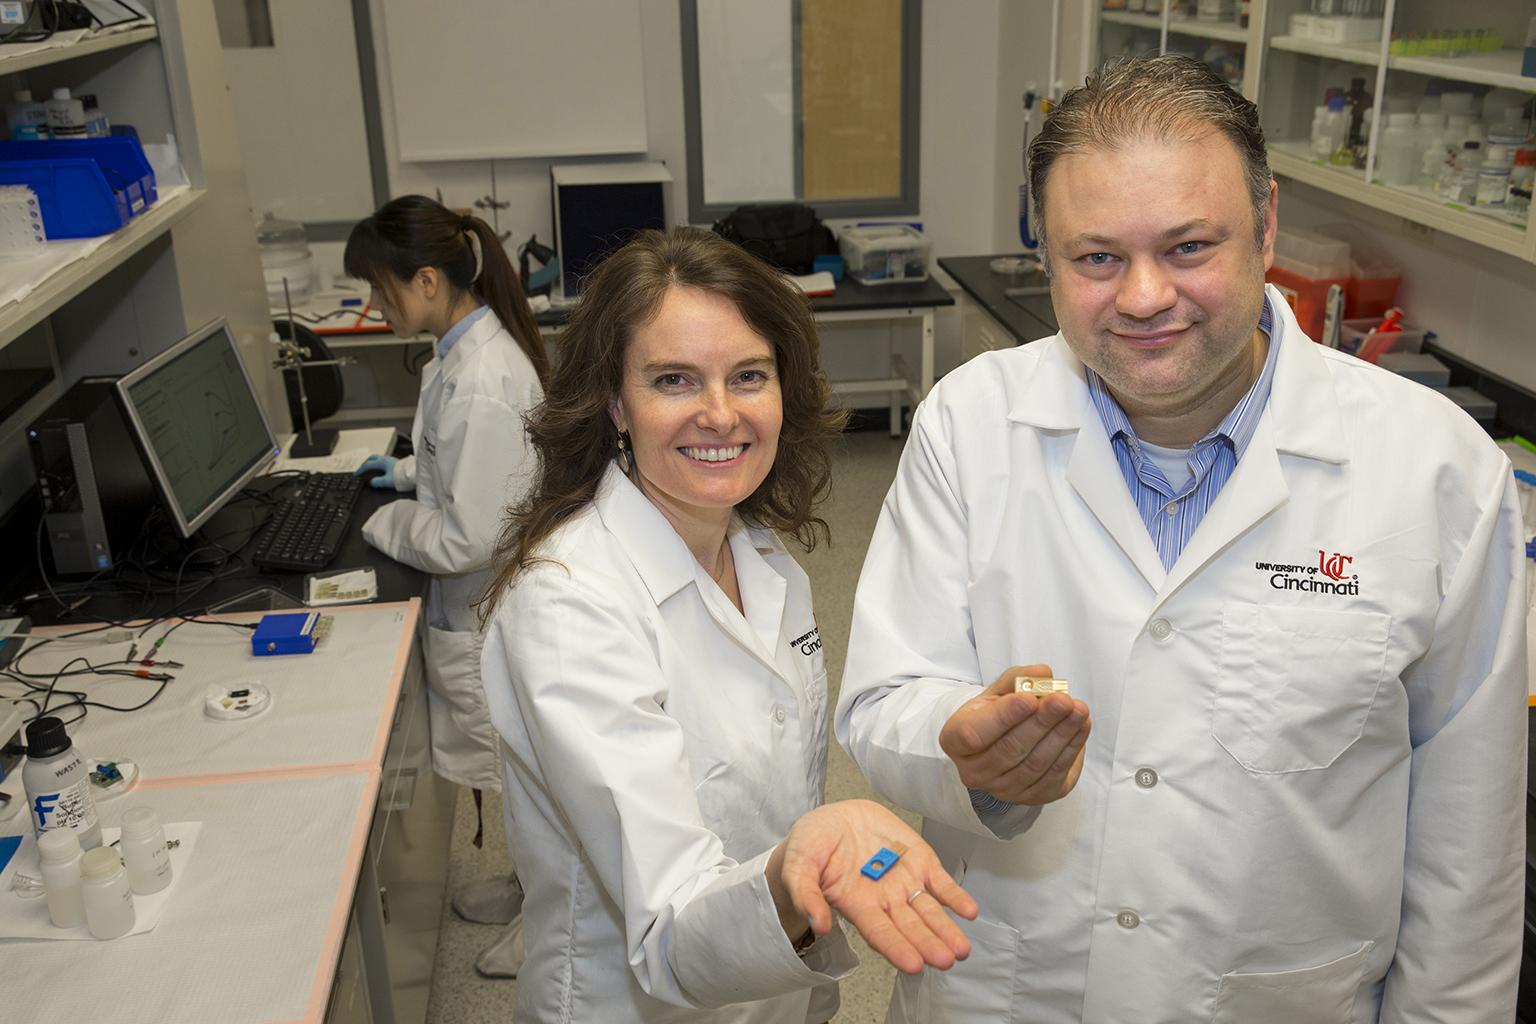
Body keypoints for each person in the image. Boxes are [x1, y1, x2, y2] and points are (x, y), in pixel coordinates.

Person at [837, 54, 1526, 1022]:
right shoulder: (969, 423)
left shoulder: (1439, 475)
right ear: (1046, 256)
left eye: (1191, 246)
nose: (1146, 296)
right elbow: (880, 699)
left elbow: (1469, 861)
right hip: (1005, 992)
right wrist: (959, 748)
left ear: (1267, 225)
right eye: (1097, 258)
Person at [477, 226, 977, 1023]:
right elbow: (669, 923)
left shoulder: (766, 562)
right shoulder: (571, 604)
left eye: (749, 375)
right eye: (674, 380)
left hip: (774, 983)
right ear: (614, 402)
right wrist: (796, 870)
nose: (720, 414)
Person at [344, 194, 549, 978]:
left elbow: (469, 536)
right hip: (478, 605)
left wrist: (378, 523)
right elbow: (457, 464)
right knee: (518, 773)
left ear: (426, 279)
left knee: (531, 777)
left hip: (489, 606)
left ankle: (553, 921)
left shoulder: (483, 378)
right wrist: (398, 475)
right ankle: (532, 885)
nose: (374, 304)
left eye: (380, 288)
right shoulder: (463, 357)